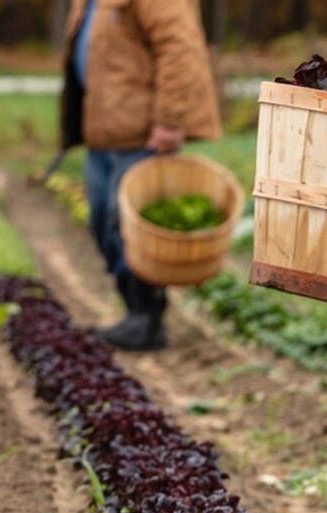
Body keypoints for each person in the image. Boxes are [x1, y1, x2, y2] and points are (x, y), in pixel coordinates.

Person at [61, 0, 222, 351]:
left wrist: (169, 119)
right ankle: (135, 310)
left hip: (142, 132)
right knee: (102, 221)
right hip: (104, 132)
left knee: (130, 228)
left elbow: (180, 47)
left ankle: (146, 317)